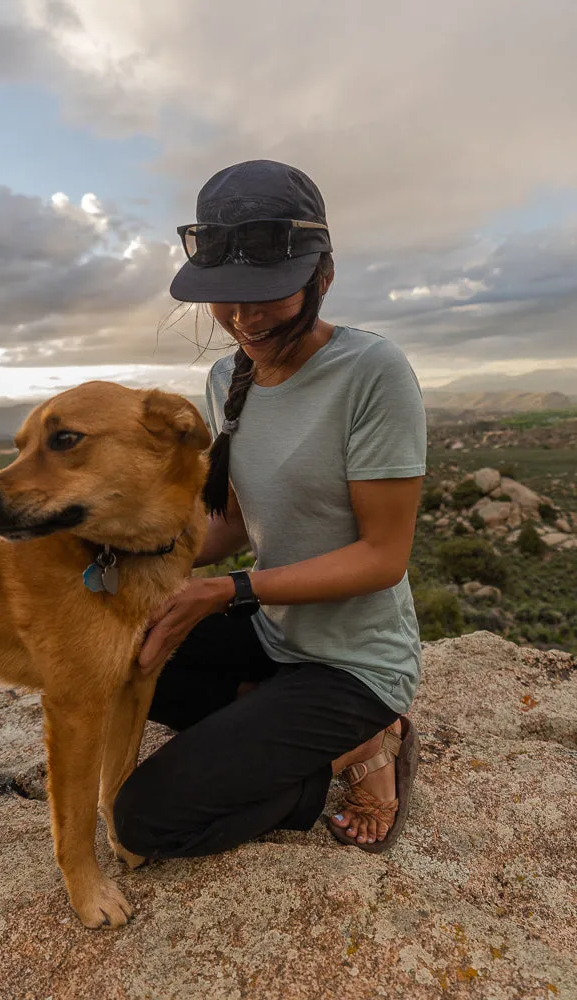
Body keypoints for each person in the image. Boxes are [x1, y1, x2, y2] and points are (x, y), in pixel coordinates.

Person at [112, 159, 425, 858]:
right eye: (225, 297)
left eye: (269, 294)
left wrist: (228, 591)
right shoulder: (229, 375)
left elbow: (384, 557)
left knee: (148, 821)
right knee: (115, 656)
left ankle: (364, 744)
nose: (244, 318)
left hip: (354, 664)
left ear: (323, 278)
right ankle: (266, 704)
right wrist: (141, 555)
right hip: (277, 636)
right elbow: (230, 522)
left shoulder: (372, 372)